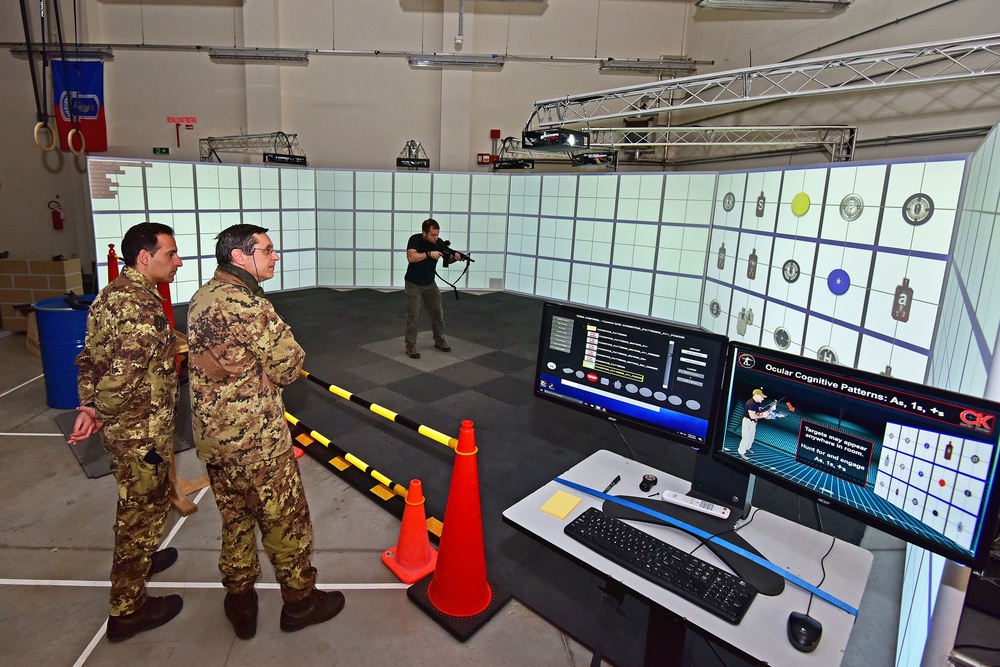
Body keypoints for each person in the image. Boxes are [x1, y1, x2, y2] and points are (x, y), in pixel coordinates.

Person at [187, 224, 344, 640]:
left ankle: (240, 599)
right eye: (268, 251)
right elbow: (288, 367)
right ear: (240, 257)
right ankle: (300, 603)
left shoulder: (203, 295)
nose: (275, 257)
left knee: (235, 518)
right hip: (255, 441)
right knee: (285, 521)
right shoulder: (249, 306)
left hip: (214, 438)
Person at [70, 222, 185, 642]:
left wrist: (88, 405)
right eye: (170, 254)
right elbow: (120, 377)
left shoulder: (112, 295)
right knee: (141, 510)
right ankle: (127, 609)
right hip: (140, 435)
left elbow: (89, 358)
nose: (177, 261)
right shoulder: (139, 307)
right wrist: (101, 409)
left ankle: (142, 559)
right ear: (144, 258)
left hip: (125, 431)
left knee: (140, 501)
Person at [403, 218, 467, 359]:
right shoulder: (415, 239)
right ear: (424, 233)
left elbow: (447, 259)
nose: (435, 238)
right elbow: (411, 257)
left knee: (438, 313)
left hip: (430, 284)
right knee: (413, 315)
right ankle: (410, 345)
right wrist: (428, 254)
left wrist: (455, 257)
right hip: (413, 283)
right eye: (432, 235)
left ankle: (439, 340)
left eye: (437, 235)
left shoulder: (439, 243)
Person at [738, 388, 777, 459]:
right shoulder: (751, 403)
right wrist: (763, 415)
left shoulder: (757, 403)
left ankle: (748, 448)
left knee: (751, 437)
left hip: (753, 423)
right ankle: (741, 452)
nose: (763, 399)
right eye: (762, 397)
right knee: (746, 438)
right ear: (756, 395)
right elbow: (752, 416)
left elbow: (761, 411)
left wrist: (772, 410)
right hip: (748, 422)